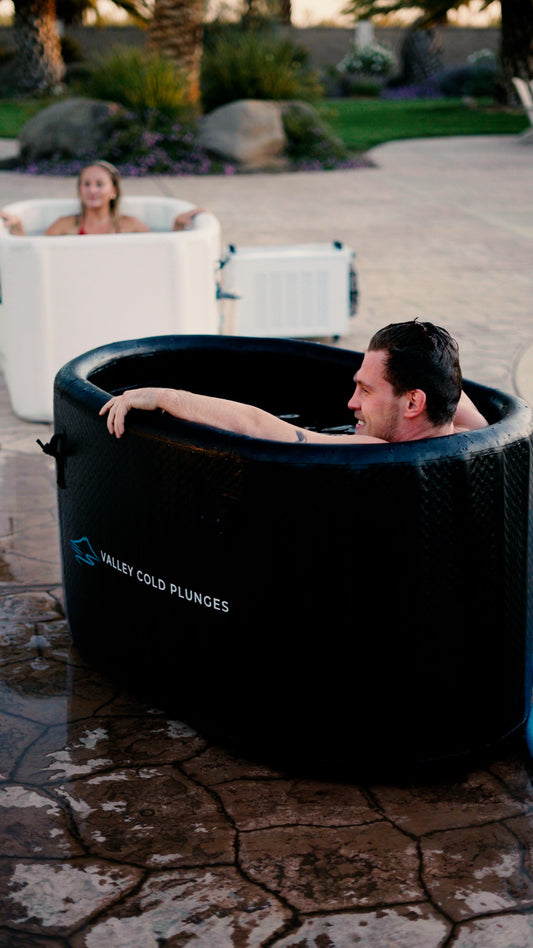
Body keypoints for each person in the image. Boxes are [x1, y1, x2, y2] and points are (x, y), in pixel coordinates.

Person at [100, 320, 488, 445]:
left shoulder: (377, 451)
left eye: (366, 391)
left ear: (413, 403)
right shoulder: (478, 434)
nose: (351, 402)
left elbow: (257, 426)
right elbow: (447, 382)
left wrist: (165, 396)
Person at [0, 160, 204, 236]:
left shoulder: (131, 226)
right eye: (86, 184)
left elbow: (159, 256)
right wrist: (17, 228)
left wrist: (178, 226)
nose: (92, 190)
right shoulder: (64, 226)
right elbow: (35, 258)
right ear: (79, 190)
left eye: (99, 184)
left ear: (113, 190)